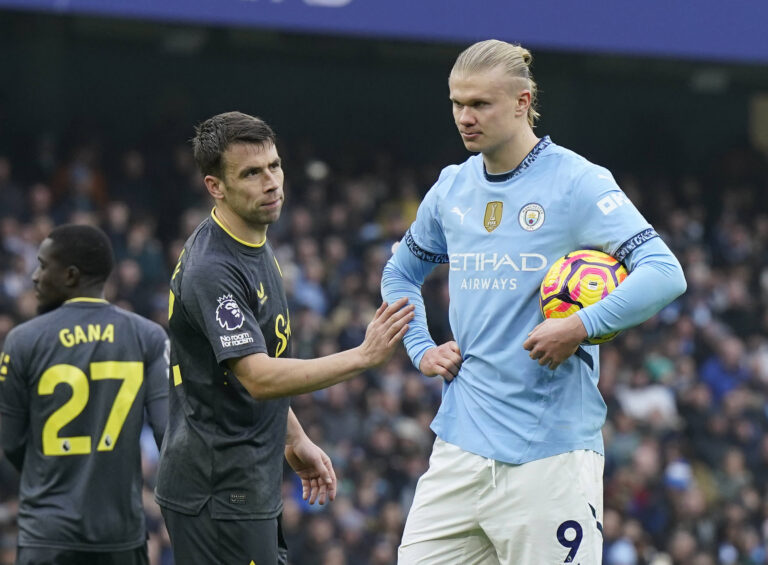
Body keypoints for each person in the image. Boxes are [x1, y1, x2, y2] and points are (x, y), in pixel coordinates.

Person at [381, 40, 687, 564]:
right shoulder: (451, 188)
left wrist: (581, 325)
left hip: (550, 457)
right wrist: (420, 347)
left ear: (523, 102)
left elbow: (664, 272)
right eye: (457, 103)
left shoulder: (578, 182)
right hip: (458, 450)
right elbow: (400, 272)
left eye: (480, 104)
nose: (465, 117)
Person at [154, 111, 414, 565]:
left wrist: (293, 438)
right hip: (217, 490)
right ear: (216, 186)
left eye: (274, 166)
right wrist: (362, 356)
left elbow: (248, 367)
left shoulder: (254, 238)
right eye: (251, 173)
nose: (271, 182)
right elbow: (257, 376)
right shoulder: (212, 269)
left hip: (246, 480)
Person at [0, 224, 169, 565]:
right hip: (120, 534)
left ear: (71, 275)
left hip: (47, 533)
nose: (35, 276)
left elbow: (11, 443)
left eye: (43, 265)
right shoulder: (149, 336)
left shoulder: (22, 340)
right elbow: (169, 434)